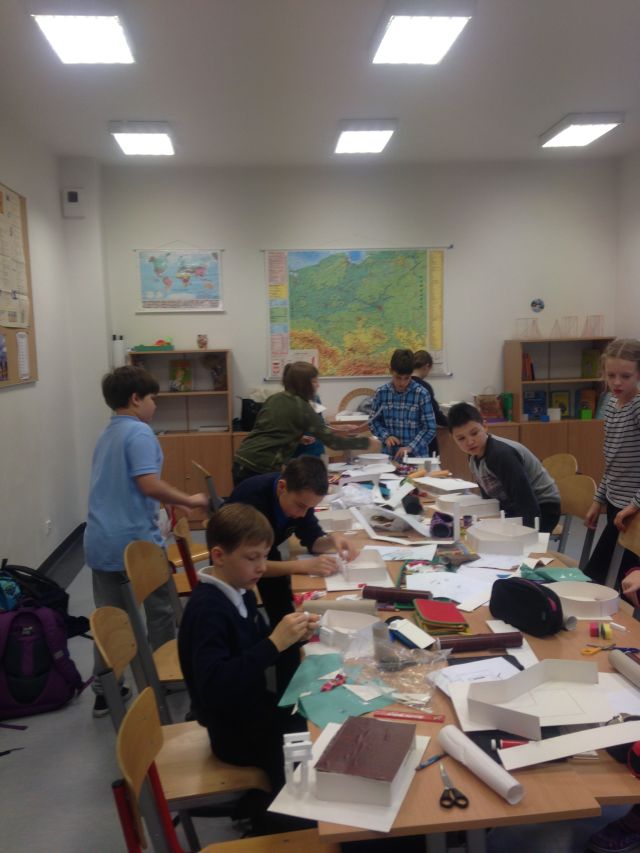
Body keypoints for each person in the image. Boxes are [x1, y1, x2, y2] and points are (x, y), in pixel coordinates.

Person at [84, 365, 209, 717]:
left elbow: (128, 485)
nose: (156, 404)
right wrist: (189, 499)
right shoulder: (140, 433)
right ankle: (165, 675)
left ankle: (105, 691)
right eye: (153, 398)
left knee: (111, 620)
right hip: (133, 543)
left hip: (100, 539)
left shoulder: (107, 433)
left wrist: (167, 501)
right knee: (160, 609)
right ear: (136, 399)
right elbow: (148, 484)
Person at [177, 503, 319, 805]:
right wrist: (275, 643)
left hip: (250, 709)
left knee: (311, 720)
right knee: (307, 745)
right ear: (219, 556)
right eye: (252, 558)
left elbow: (256, 647)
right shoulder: (208, 611)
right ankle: (281, 819)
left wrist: (293, 638)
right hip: (232, 732)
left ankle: (283, 802)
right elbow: (215, 686)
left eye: (265, 556)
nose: (262, 567)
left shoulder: (239, 590)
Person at [226, 455, 359, 694]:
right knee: (281, 622)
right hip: (237, 573)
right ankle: (284, 687)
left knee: (290, 617)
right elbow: (253, 565)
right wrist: (302, 567)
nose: (302, 514)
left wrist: (332, 539)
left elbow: (312, 540)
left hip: (266, 554)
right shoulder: (251, 500)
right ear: (282, 487)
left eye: (309, 508)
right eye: (300, 506)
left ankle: (286, 669)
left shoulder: (300, 499)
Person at [232, 361, 370, 484]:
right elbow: (334, 442)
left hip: (242, 459)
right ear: (304, 384)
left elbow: (267, 428)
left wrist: (297, 437)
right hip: (260, 467)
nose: (318, 385)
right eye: (314, 381)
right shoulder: (302, 407)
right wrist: (367, 443)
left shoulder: (275, 398)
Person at [448, 402, 560, 532]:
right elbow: (488, 497)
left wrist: (527, 536)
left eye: (474, 433)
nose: (470, 442)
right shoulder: (473, 456)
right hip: (512, 509)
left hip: (542, 510)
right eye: (461, 438)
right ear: (453, 439)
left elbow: (524, 500)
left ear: (485, 426)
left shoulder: (501, 455)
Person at [583, 338, 640, 587]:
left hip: (634, 509)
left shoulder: (638, 407)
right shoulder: (610, 405)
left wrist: (635, 504)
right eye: (611, 375)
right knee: (607, 577)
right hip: (616, 504)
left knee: (613, 580)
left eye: (625, 376)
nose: (617, 382)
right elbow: (613, 461)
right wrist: (599, 500)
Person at [368, 348, 436, 461]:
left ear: (411, 373)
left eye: (407, 378)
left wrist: (410, 447)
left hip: (416, 458)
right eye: (398, 377)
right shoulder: (381, 393)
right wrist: (386, 436)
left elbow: (430, 428)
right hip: (389, 457)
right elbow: (373, 421)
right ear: (391, 371)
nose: (402, 383)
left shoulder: (422, 394)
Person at [411, 349, 448, 457]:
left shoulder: (401, 385)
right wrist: (452, 422)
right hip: (424, 441)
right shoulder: (424, 387)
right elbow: (434, 414)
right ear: (426, 366)